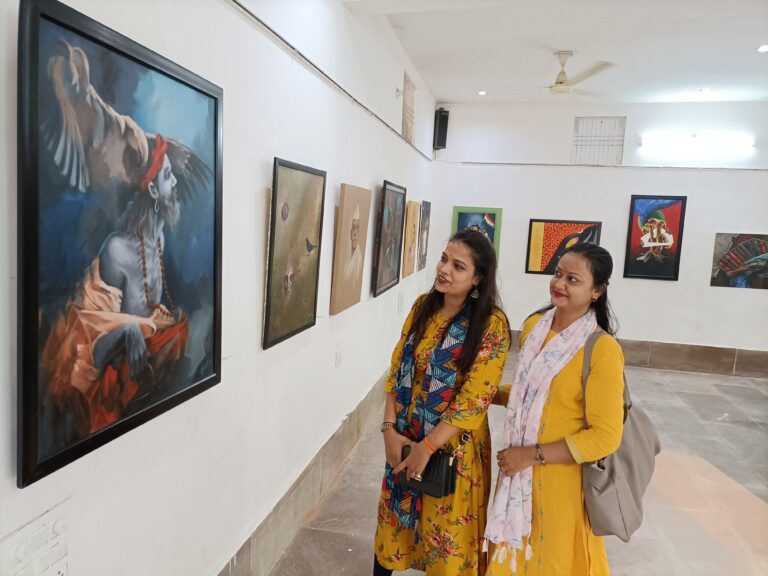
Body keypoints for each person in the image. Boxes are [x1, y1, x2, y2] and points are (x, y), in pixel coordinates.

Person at [373, 229, 511, 576]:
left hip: (453, 453)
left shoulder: (490, 325)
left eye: (458, 266)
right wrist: (389, 431)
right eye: (444, 259)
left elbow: (474, 399)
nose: (444, 269)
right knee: (392, 534)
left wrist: (428, 447)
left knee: (446, 547)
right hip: (405, 439)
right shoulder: (424, 307)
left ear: (478, 278)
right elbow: (397, 371)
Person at [484, 243, 624, 576]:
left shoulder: (601, 349)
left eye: (573, 279)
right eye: (558, 273)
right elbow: (532, 394)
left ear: (597, 291)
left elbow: (605, 436)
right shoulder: (535, 326)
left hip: (560, 486)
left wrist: (530, 456)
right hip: (516, 476)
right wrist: (486, 393)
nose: (559, 284)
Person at [43, 134, 189, 437]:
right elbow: (88, 347)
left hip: (142, 386)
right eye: (167, 175)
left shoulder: (159, 240)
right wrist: (127, 330)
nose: (175, 181)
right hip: (106, 397)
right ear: (152, 190)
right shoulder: (117, 251)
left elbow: (151, 311)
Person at [344, 205, 363, 280]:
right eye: (353, 227)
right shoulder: (346, 252)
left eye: (357, 228)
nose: (355, 233)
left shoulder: (359, 257)